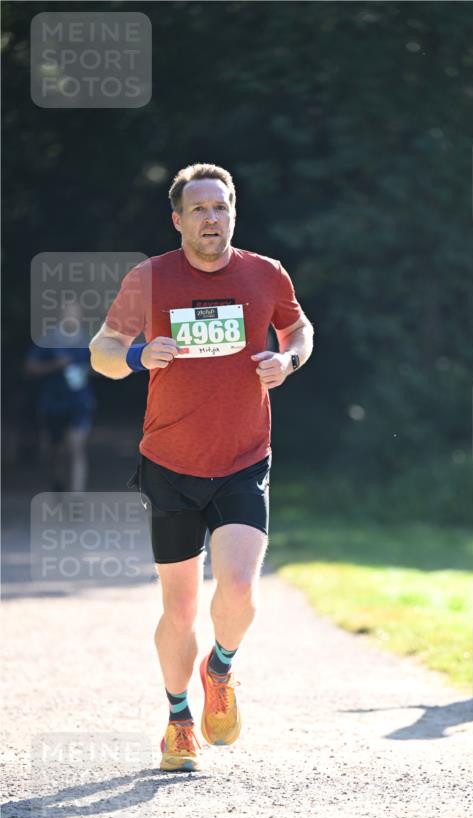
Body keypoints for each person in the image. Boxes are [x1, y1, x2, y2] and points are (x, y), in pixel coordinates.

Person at [89, 163, 314, 770]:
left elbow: (298, 327)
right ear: (178, 220)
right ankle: (179, 720)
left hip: (243, 458)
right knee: (181, 608)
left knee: (238, 587)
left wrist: (288, 360)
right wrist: (138, 355)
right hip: (170, 463)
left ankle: (220, 668)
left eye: (220, 207)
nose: (211, 218)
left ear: (233, 213)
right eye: (199, 209)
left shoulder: (266, 273)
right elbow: (102, 351)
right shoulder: (150, 278)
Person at [25, 299, 94, 493]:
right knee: (56, 451)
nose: (72, 316)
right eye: (68, 311)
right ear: (61, 315)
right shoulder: (48, 340)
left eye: (75, 312)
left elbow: (100, 367)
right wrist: (56, 365)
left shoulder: (89, 341)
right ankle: (57, 486)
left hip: (80, 402)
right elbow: (30, 368)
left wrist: (92, 370)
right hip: (53, 403)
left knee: (76, 447)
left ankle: (77, 498)